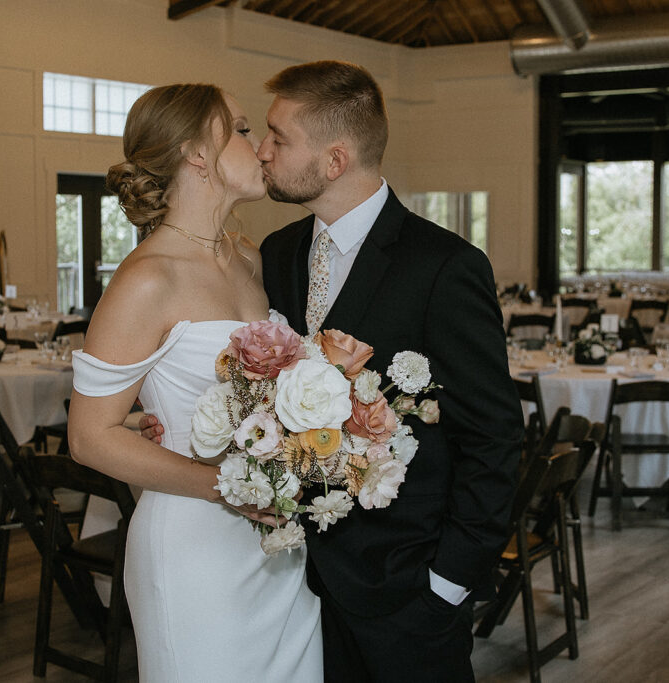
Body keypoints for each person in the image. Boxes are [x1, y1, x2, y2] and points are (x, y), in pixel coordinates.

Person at [141, 61, 523, 682]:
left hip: (407, 591)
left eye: (278, 138)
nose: (261, 151)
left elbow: (495, 438)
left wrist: (446, 585)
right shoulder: (279, 254)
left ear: (335, 159)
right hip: (290, 582)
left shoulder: (444, 267)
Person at [67, 84, 323, 682]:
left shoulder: (250, 259)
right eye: (238, 128)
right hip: (195, 548)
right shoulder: (147, 279)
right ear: (196, 155)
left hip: (278, 547)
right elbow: (88, 436)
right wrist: (225, 487)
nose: (260, 146)